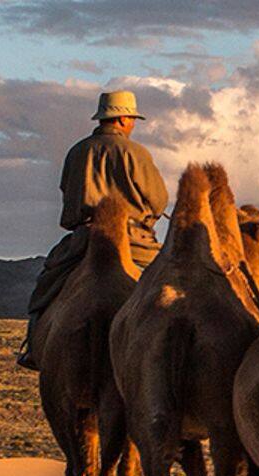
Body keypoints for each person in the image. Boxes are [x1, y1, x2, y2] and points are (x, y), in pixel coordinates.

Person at [18, 90, 168, 370]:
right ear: (123, 119)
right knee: (169, 286)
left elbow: (67, 191)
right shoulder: (135, 152)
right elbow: (158, 199)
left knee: (46, 287)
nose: (133, 124)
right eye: (132, 119)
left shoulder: (77, 151)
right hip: (132, 239)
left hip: (84, 238)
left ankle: (34, 347)